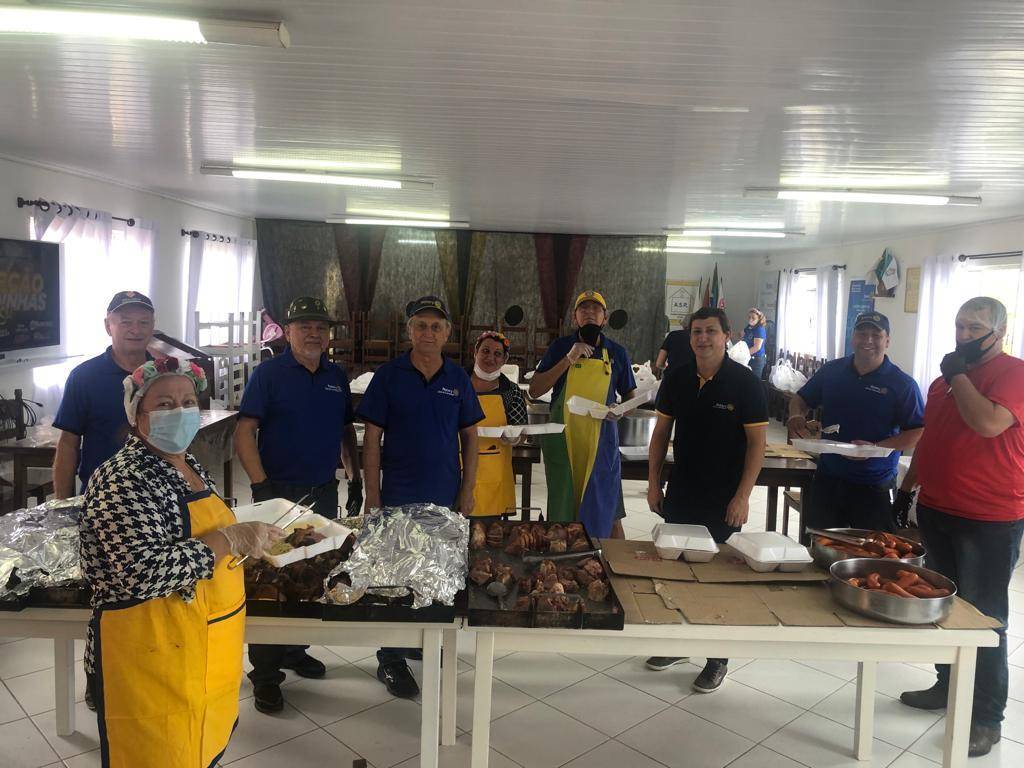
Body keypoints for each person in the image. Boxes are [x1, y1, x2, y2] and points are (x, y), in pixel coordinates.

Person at [80, 357, 284, 768]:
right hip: (149, 654)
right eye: (165, 404)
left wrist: (241, 540)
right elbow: (137, 573)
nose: (180, 412)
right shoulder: (123, 478)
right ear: (137, 416)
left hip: (196, 645)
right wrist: (227, 538)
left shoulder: (184, 462)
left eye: (188, 401)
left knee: (195, 747)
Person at [896, 297, 1024, 757]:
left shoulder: (1014, 373)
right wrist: (908, 487)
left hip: (989, 517)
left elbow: (987, 423)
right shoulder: (942, 383)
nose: (964, 334)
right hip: (937, 508)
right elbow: (934, 436)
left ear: (999, 332)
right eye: (959, 325)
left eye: (975, 327)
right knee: (941, 605)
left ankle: (987, 717)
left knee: (986, 617)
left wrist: (958, 376)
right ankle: (946, 686)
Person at [234, 296, 361, 715]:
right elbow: (244, 431)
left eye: (320, 327)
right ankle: (266, 674)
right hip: (277, 492)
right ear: (287, 332)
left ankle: (294, 649)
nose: (313, 333)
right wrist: (260, 484)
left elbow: (345, 431)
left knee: (312, 572)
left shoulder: (336, 376)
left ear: (329, 334)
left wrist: (354, 476)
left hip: (323, 490)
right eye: (304, 325)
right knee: (271, 581)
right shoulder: (268, 374)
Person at [358, 295, 484, 697]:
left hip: (443, 492)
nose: (427, 332)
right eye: (420, 325)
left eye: (436, 326)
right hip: (398, 492)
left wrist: (468, 491)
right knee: (394, 576)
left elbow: (470, 436)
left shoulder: (458, 378)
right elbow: (372, 440)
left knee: (437, 571)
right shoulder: (388, 376)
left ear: (447, 333)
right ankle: (390, 658)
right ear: (408, 331)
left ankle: (426, 638)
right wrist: (372, 495)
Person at [645, 307, 768, 692]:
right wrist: (653, 483)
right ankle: (679, 644)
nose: (702, 338)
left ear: (726, 335)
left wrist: (743, 496)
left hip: (724, 496)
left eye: (710, 331)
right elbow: (661, 435)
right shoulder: (678, 378)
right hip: (682, 489)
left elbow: (757, 444)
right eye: (696, 332)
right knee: (677, 568)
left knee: (717, 576)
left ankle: (718, 657)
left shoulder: (744, 383)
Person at [787, 311, 924, 532]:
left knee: (871, 552)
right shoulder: (832, 371)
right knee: (822, 544)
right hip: (828, 477)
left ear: (887, 341)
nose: (868, 340)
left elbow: (918, 431)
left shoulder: (903, 384)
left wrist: (877, 448)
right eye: (862, 333)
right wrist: (796, 415)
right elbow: (801, 399)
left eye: (876, 335)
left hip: (874, 485)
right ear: (852, 338)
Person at [530, 290, 637, 539]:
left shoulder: (617, 352)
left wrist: (619, 411)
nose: (590, 313)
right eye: (583, 309)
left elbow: (631, 399)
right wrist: (569, 358)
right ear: (575, 317)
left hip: (601, 442)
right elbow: (536, 390)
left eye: (596, 309)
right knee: (563, 510)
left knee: (605, 511)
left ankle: (608, 566)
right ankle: (563, 566)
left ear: (605, 318)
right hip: (563, 439)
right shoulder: (560, 347)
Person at [53, 291, 155, 497]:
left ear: (153, 326)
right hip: (101, 495)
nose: (136, 330)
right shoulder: (84, 377)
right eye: (126, 322)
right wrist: (61, 505)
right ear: (108, 326)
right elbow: (67, 444)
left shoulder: (167, 375)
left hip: (158, 491)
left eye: (144, 322)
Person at [469, 331, 529, 516]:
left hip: (494, 477)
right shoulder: (457, 384)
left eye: (497, 354)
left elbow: (522, 432)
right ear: (475, 353)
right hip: (458, 471)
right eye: (485, 351)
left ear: (505, 359)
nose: (490, 358)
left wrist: (514, 438)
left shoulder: (511, 392)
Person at [743, 308, 768, 380]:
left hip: (757, 360)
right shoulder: (749, 326)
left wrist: (743, 354)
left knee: (754, 381)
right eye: (749, 317)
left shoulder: (759, 329)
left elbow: (756, 347)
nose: (750, 319)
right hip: (749, 357)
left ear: (759, 319)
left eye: (753, 318)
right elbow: (741, 334)